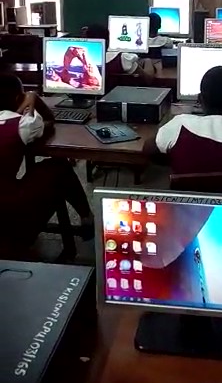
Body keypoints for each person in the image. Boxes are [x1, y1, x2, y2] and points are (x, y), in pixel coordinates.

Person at [0, 74, 93, 248]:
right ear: (18, 99)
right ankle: (87, 217)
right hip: (10, 212)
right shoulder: (22, 125)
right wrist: (34, 97)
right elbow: (49, 120)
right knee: (58, 166)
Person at [81, 24, 155, 89]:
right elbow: (148, 80)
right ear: (108, 39)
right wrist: (148, 61)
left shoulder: (82, 60)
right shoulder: (123, 59)